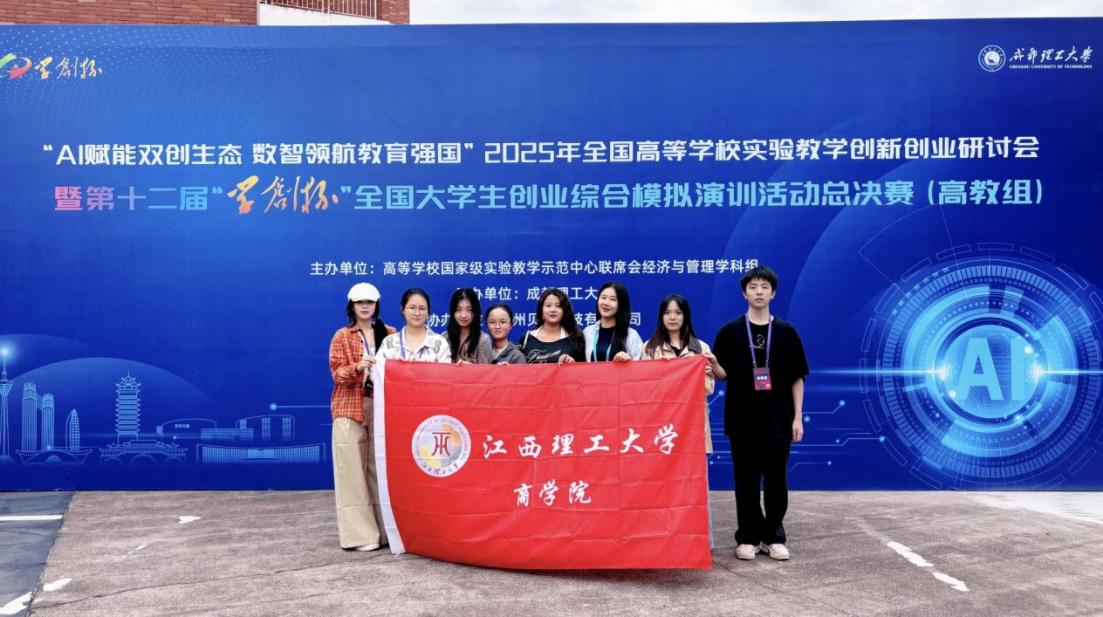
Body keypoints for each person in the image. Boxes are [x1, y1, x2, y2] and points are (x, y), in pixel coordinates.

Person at [713, 266, 809, 562]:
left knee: (777, 481)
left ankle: (774, 537)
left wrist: (797, 417)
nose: (758, 292)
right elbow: (722, 374)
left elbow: (797, 377)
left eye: (764, 287)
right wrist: (712, 365)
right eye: (753, 287)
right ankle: (748, 537)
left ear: (773, 293)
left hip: (779, 419)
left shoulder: (787, 332)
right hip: (741, 420)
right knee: (746, 481)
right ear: (744, 293)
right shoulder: (729, 331)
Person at [642, 293, 726, 547]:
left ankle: (700, 541)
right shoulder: (650, 348)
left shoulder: (700, 348)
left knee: (695, 485)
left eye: (678, 312)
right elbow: (644, 387)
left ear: (685, 316)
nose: (672, 317)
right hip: (662, 428)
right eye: (668, 312)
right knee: (661, 485)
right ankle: (662, 539)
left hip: (693, 426)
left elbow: (708, 386)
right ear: (661, 317)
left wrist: (686, 375)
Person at [328, 282, 396, 552]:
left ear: (377, 304)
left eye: (369, 302)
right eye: (360, 302)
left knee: (380, 471)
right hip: (350, 407)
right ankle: (361, 536)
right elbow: (337, 374)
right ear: (352, 306)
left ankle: (386, 532)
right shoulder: (342, 335)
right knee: (351, 474)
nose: (365, 306)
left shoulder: (390, 333)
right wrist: (357, 367)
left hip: (382, 408)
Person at [376, 288, 452, 363]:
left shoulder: (439, 342)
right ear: (402, 310)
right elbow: (380, 368)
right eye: (412, 308)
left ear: (428, 312)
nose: (417, 313)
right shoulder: (390, 342)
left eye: (422, 308)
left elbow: (446, 370)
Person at [519, 288, 585, 364]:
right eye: (548, 305)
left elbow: (583, 369)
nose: (553, 310)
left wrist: (571, 363)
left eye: (558, 306)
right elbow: (519, 368)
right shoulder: (527, 339)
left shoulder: (575, 339)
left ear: (564, 311)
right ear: (541, 310)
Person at [583, 281, 643, 362]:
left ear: (621, 304)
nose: (606, 303)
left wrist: (629, 361)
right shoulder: (588, 332)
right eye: (603, 297)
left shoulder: (631, 335)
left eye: (613, 299)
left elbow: (640, 365)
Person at [446, 287, 492, 364]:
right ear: (453, 312)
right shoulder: (444, 338)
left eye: (469, 310)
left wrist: (469, 368)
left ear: (475, 312)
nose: (463, 315)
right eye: (458, 310)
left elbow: (486, 370)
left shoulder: (483, 340)